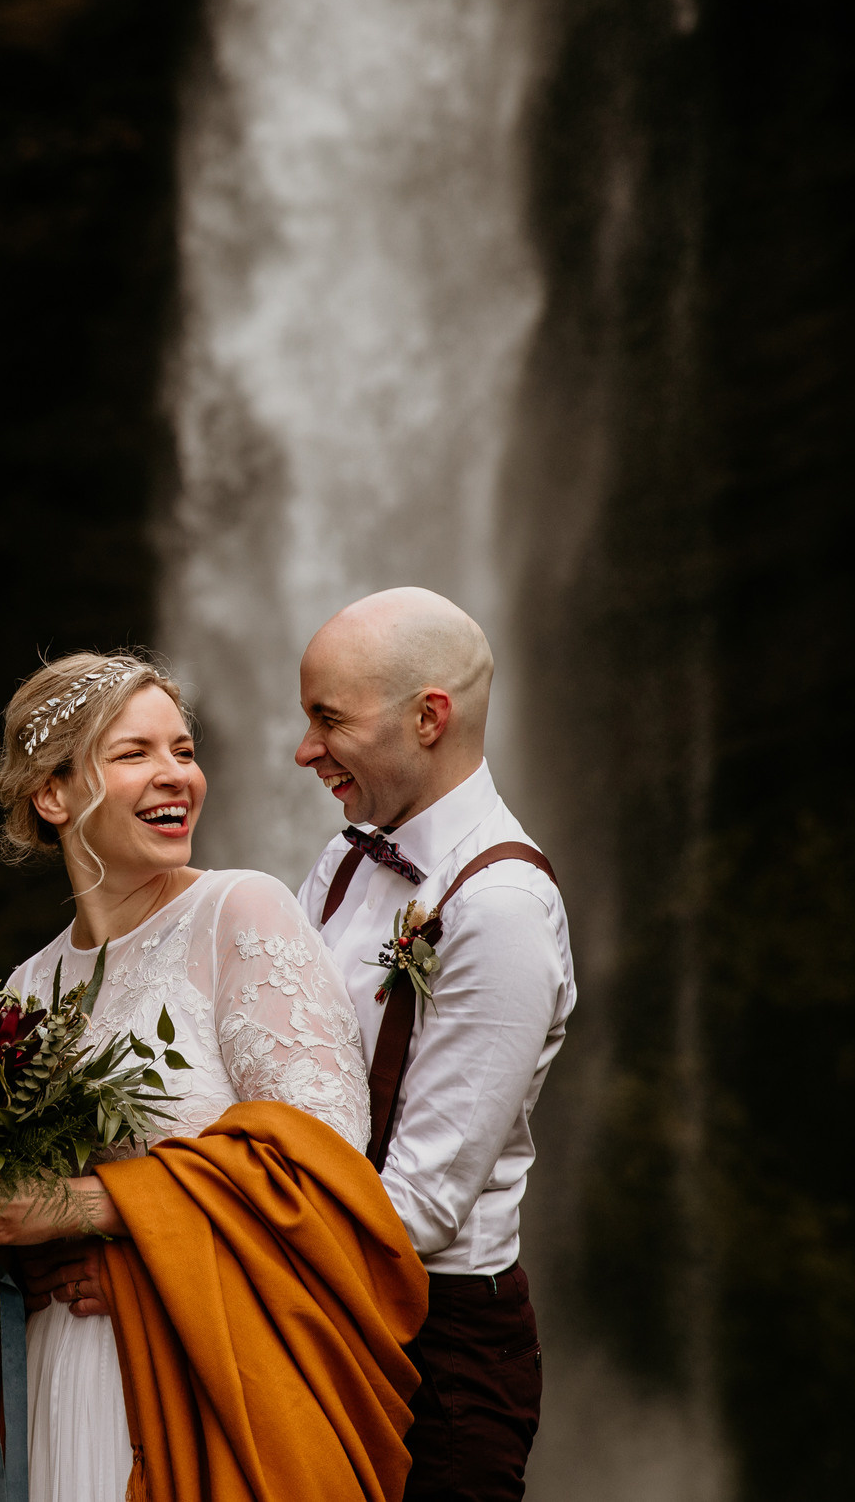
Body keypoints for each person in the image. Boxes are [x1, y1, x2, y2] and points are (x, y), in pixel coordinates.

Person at [0, 651, 430, 1502]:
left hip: (212, 1379)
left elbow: (330, 1170)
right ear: (54, 793)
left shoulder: (241, 911)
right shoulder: (23, 992)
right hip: (59, 1380)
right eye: (134, 753)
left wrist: (84, 1207)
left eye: (184, 750)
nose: (176, 775)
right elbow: (19, 1221)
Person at [291, 588, 575, 1501]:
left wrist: (186, 1246)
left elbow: (421, 1205)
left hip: (441, 1356)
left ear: (428, 716)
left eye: (326, 718)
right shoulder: (343, 861)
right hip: (326, 1304)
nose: (303, 751)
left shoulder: (502, 907)